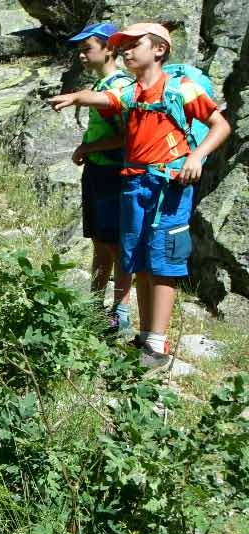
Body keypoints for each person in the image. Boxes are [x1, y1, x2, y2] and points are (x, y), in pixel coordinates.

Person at [49, 23, 231, 368]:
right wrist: (76, 96)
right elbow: (106, 98)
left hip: (168, 187)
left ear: (159, 50)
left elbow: (219, 125)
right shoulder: (133, 92)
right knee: (141, 259)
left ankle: (158, 345)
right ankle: (147, 336)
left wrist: (195, 157)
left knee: (163, 261)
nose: (126, 51)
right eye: (123, 46)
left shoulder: (181, 88)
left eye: (134, 45)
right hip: (135, 185)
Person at [66, 22, 133, 335]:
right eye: (80, 49)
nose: (82, 55)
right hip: (97, 170)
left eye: (87, 48)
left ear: (110, 49)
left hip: (111, 172)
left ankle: (120, 312)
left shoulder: (118, 87)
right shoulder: (102, 85)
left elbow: (126, 137)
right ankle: (94, 305)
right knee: (99, 242)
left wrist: (87, 147)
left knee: (115, 245)